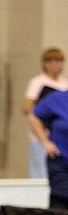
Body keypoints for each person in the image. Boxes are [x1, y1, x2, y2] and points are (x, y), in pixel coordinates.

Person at [23, 47, 68, 178]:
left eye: (60, 62)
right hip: (42, 134)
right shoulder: (38, 82)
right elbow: (27, 107)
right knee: (40, 172)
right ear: (46, 64)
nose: (58, 66)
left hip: (60, 137)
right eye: (54, 62)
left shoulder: (65, 83)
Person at [28, 89, 68, 209]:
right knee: (61, 200)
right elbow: (33, 116)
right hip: (60, 161)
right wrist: (45, 141)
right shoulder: (57, 98)